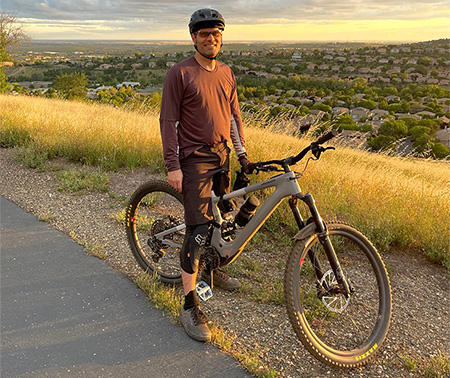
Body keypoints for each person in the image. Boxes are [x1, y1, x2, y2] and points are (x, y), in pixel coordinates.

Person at [159, 8, 252, 342]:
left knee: (221, 216)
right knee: (198, 229)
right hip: (193, 160)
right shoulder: (179, 74)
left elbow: (233, 116)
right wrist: (172, 166)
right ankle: (188, 304)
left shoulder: (226, 72)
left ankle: (210, 270)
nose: (210, 39)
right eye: (203, 34)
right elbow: (168, 122)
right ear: (193, 38)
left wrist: (243, 155)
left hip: (222, 155)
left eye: (215, 34)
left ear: (221, 37)